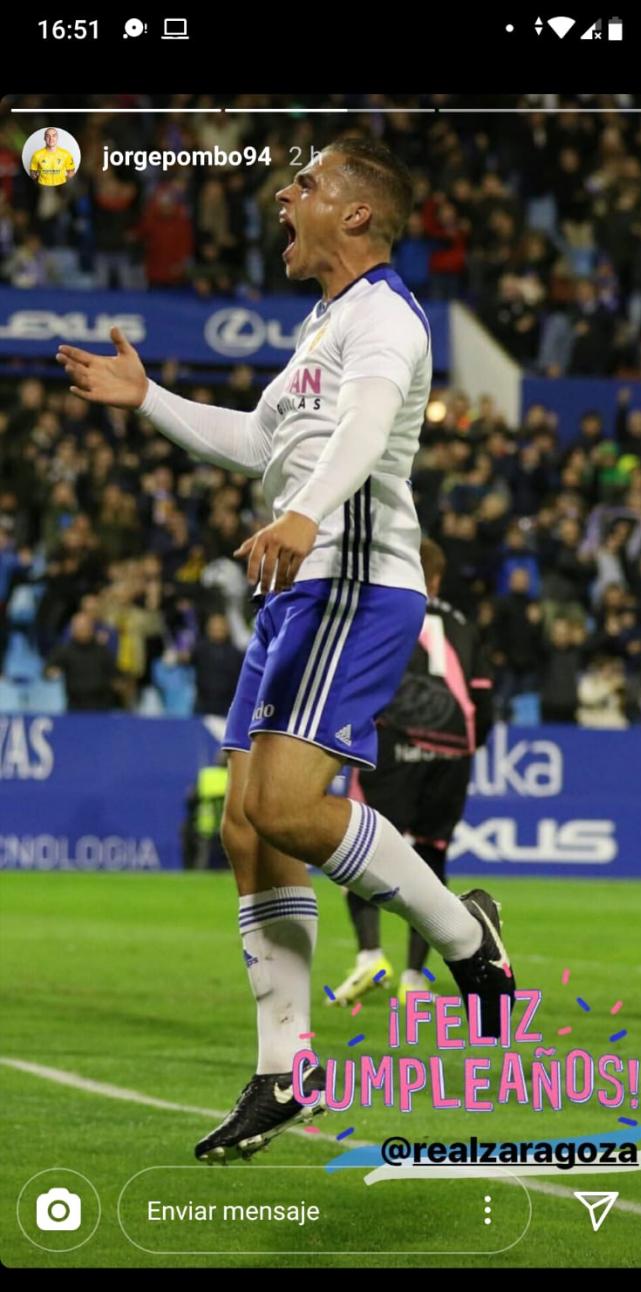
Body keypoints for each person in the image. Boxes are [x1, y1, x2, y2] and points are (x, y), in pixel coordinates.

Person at [56, 138, 515, 1166]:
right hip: (298, 587)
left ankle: (463, 936)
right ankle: (284, 1064)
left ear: (357, 215)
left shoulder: (388, 316)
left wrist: (305, 518)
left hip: (353, 579)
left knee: (292, 808)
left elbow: (359, 436)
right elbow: (267, 442)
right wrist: (150, 402)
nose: (283, 192)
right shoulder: (323, 326)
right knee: (249, 831)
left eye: (305, 182)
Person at [331, 538, 494, 1006]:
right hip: (451, 757)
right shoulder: (462, 624)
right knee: (430, 855)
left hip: (395, 746)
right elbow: (483, 698)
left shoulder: (384, 609)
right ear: (438, 578)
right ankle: (415, 977)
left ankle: (369, 955)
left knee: (356, 847)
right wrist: (464, 748)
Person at [45, 611, 117, 710]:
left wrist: (118, 683)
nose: (82, 631)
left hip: (101, 705)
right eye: (79, 628)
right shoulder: (65, 650)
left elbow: (115, 674)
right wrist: (51, 672)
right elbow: (48, 670)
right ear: (72, 630)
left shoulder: (102, 651)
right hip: (75, 704)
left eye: (85, 628)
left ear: (91, 629)